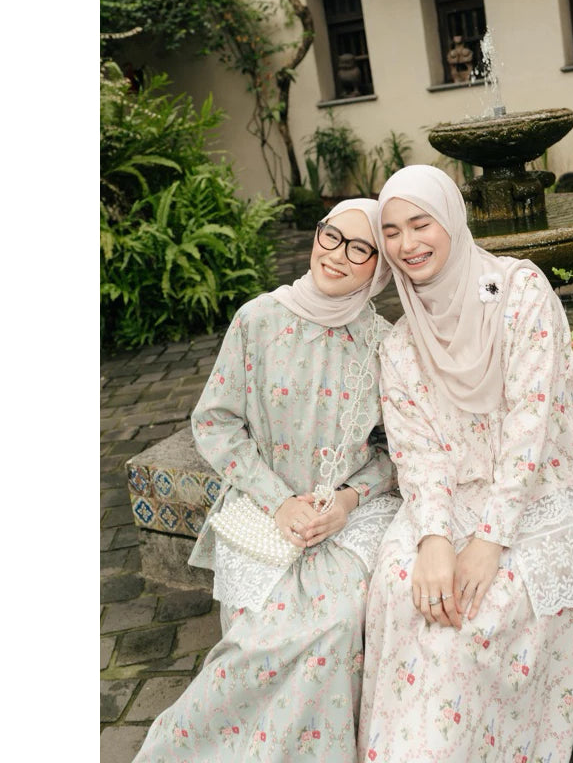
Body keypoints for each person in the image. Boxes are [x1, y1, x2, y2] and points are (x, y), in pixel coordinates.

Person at [357, 167, 573, 762]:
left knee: (477, 620)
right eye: (393, 231)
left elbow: (532, 427)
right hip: (448, 501)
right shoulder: (400, 342)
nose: (408, 244)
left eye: (421, 224)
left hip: (542, 489)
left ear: (452, 219)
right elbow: (417, 453)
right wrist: (432, 539)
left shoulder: (522, 294)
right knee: (403, 591)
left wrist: (489, 541)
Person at [134, 199, 401, 762]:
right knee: (257, 642)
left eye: (360, 248)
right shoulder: (258, 319)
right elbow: (215, 422)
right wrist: (279, 502)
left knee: (336, 624)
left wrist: (348, 500)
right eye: (332, 236)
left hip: (345, 517)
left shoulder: (384, 341)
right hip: (262, 505)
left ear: (378, 266)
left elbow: (395, 452)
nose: (338, 255)